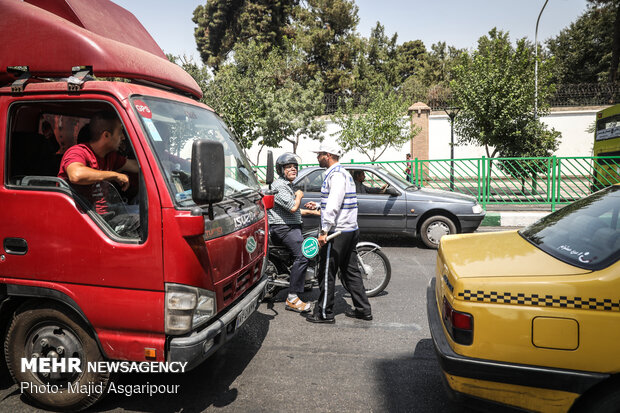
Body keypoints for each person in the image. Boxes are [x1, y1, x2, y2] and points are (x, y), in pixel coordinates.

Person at [304, 142, 372, 324]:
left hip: (337, 233)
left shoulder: (336, 175)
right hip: (349, 229)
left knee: (326, 273)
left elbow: (334, 205)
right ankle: (363, 310)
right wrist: (318, 205)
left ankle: (324, 313)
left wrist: (324, 231)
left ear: (328, 155)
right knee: (351, 272)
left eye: (319, 154)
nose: (317, 157)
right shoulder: (344, 173)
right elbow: (337, 201)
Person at [58, 111, 140, 235]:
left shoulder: (110, 157)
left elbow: (136, 166)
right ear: (106, 135)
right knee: (140, 222)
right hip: (82, 218)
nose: (123, 137)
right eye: (120, 132)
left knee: (144, 214)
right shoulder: (78, 152)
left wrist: (165, 163)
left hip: (103, 216)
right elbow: (76, 175)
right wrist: (115, 175)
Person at [268, 153, 313, 313]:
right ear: (281, 170)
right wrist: (299, 195)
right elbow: (293, 207)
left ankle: (302, 280)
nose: (293, 169)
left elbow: (292, 211)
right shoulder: (279, 186)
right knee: (303, 255)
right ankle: (292, 298)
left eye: (295, 167)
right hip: (283, 228)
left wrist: (315, 212)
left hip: (290, 225)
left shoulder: (288, 185)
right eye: (288, 167)